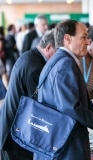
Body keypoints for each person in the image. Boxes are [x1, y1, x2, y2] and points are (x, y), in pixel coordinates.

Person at [34, 20, 93, 160]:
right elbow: (70, 108)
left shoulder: (60, 60)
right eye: (83, 37)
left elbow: (67, 102)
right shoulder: (65, 64)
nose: (88, 42)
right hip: (66, 146)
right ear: (67, 39)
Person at [0, 29, 56, 160]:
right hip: (15, 138)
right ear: (49, 48)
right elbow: (39, 106)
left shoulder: (30, 56)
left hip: (13, 131)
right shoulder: (35, 67)